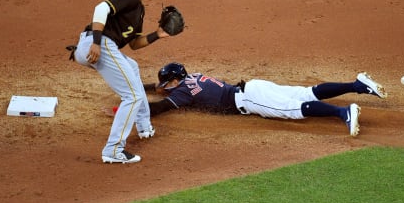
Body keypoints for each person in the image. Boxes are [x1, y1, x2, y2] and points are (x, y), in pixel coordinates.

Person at [74, 0, 174, 164]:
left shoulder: (139, 10)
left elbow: (135, 44)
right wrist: (96, 42)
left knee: (133, 67)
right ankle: (113, 150)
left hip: (99, 45)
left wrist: (158, 34)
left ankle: (144, 126)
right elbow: (100, 8)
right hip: (98, 43)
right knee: (133, 96)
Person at [140, 62, 388, 137]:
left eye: (166, 84)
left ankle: (343, 113)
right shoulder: (191, 77)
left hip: (250, 99)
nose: (164, 88)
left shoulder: (181, 92)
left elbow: (160, 107)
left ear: (174, 81)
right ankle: (357, 85)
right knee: (307, 92)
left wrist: (133, 105)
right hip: (254, 86)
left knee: (295, 108)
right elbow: (163, 90)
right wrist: (144, 87)